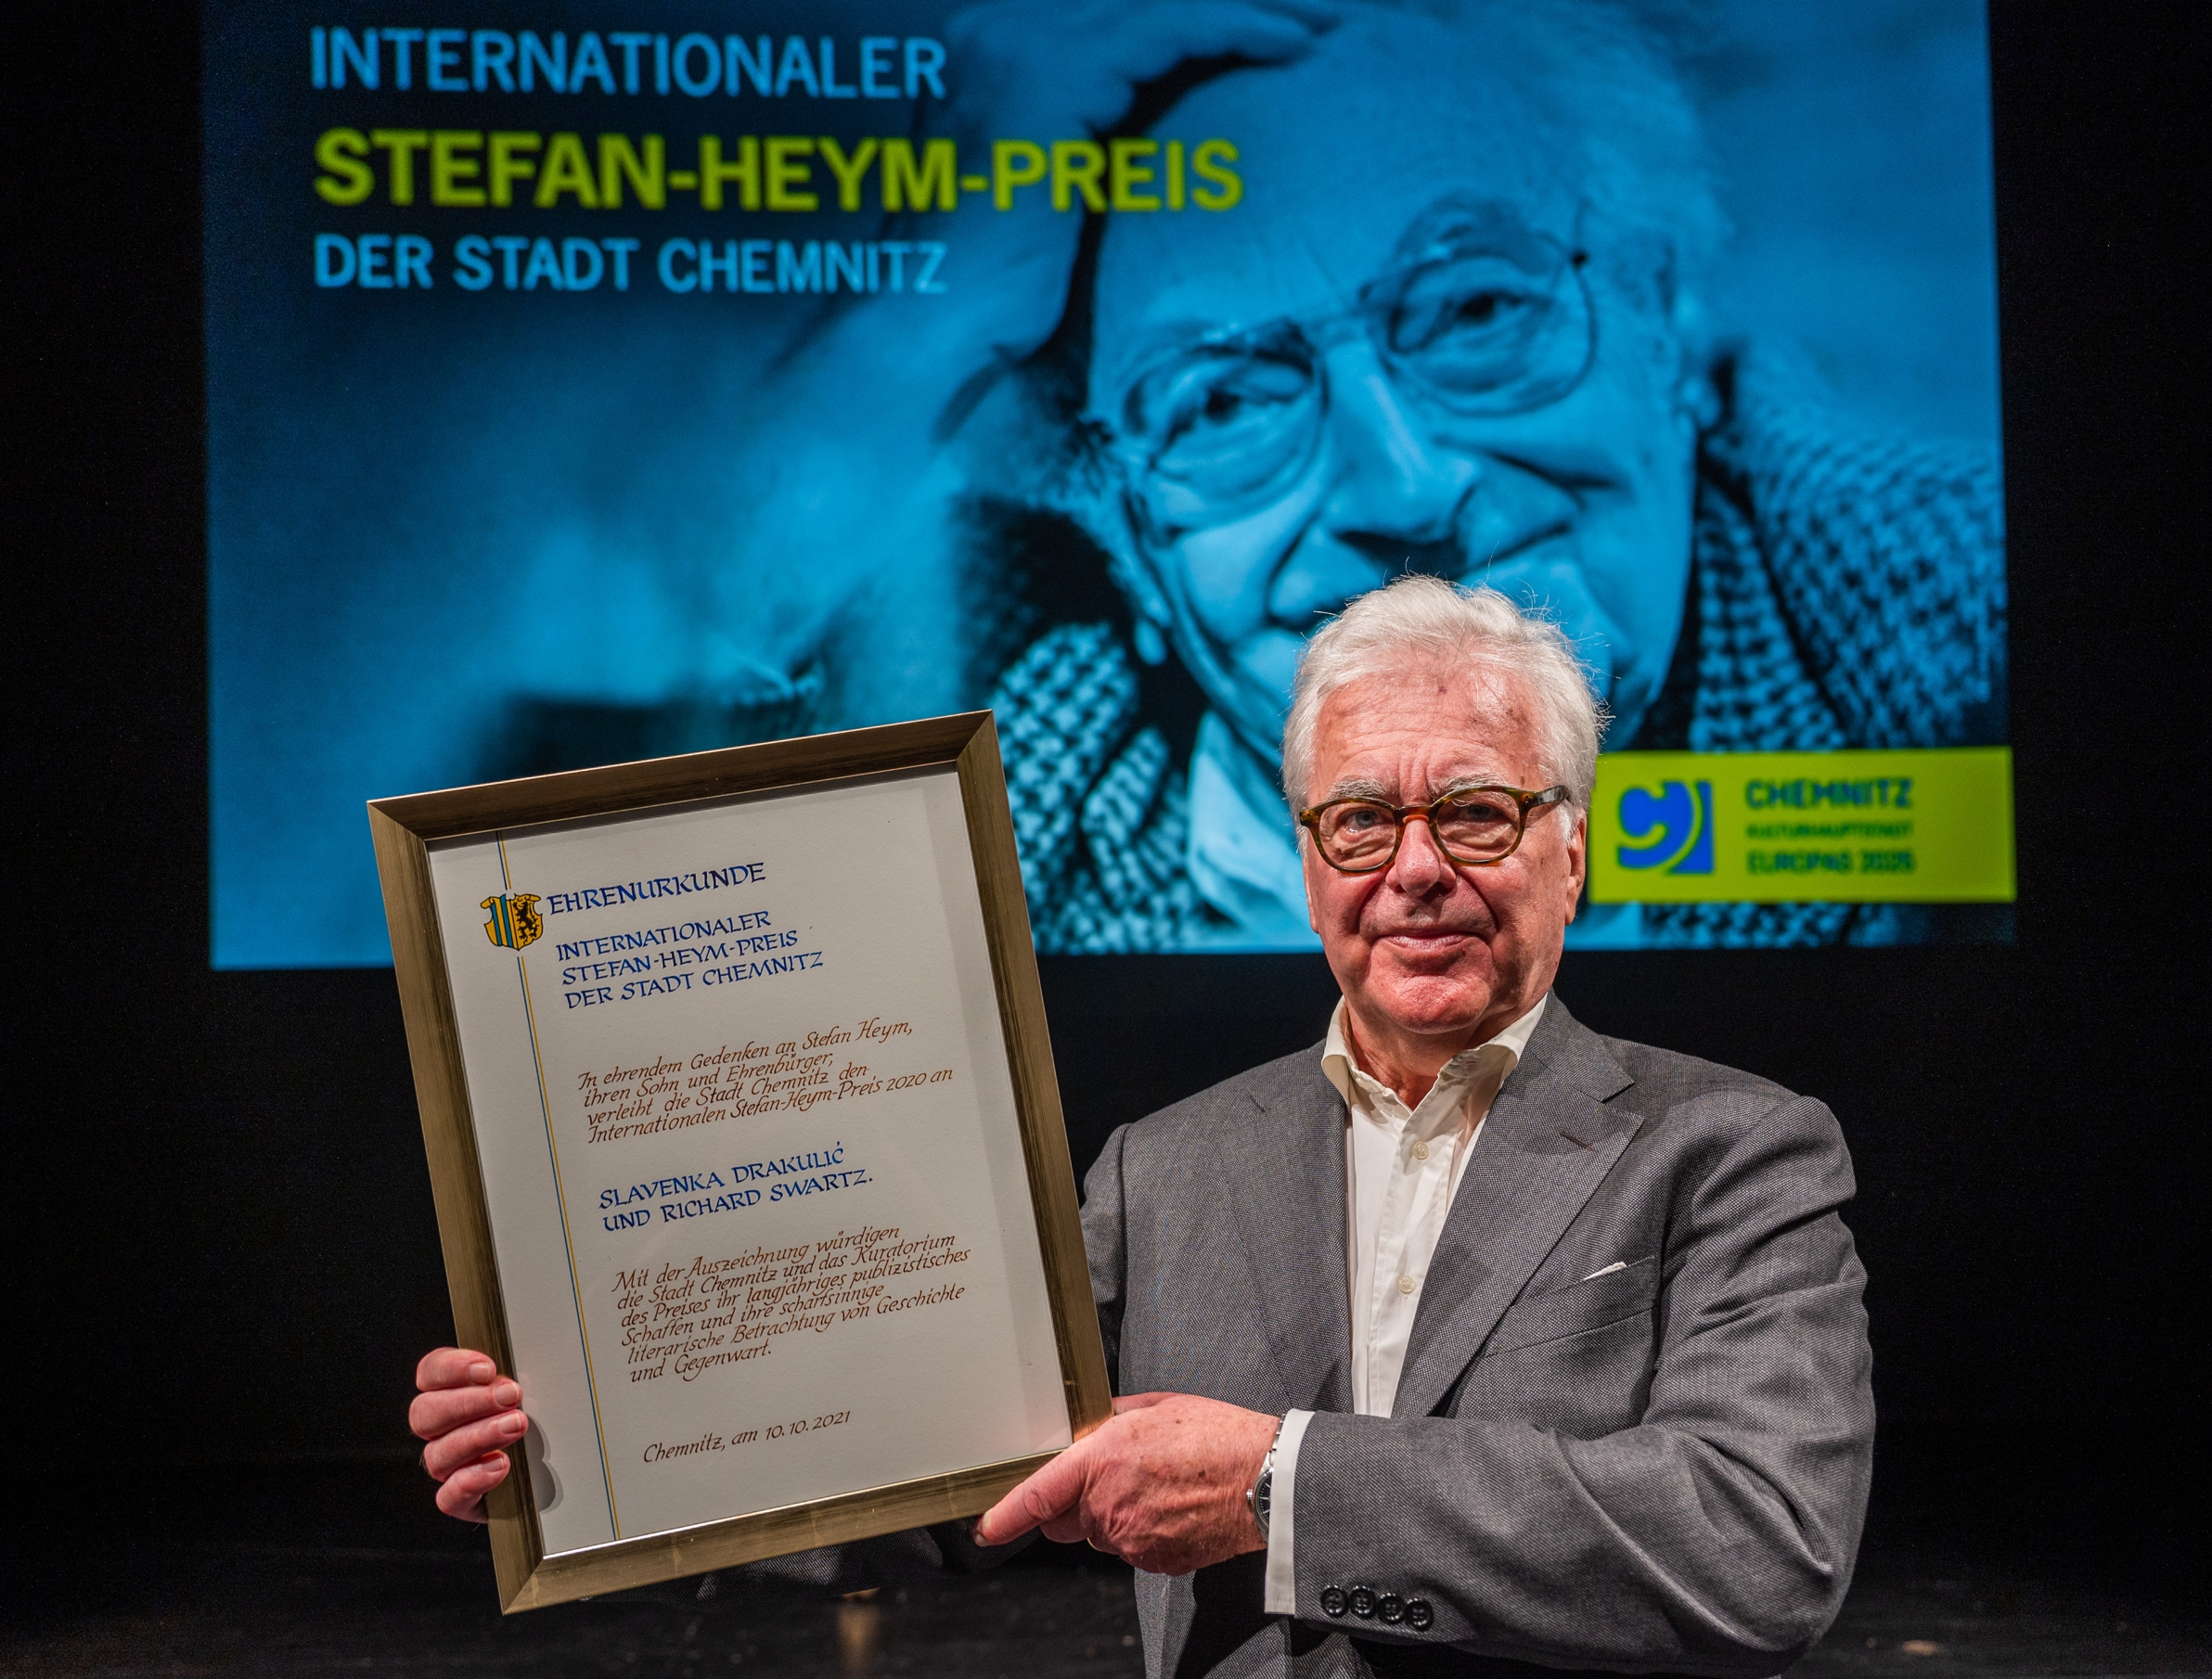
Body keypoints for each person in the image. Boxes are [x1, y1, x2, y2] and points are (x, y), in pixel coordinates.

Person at [417, 577, 1874, 1675]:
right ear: (1308, 862)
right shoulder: (1168, 1166)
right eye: (1360, 821)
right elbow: (918, 1470)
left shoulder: (1736, 1150)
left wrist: (1275, 1486)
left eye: (1477, 814)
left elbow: (1759, 1543)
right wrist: (592, 1447)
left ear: (1573, 848)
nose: (1415, 867)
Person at [665, 0, 2004, 955]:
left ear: (1663, 325)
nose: (1404, 488)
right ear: (1125, 541)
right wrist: (904, 336)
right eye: (1224, 399)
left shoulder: (1950, 624)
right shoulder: (1008, 791)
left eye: (1476, 309)